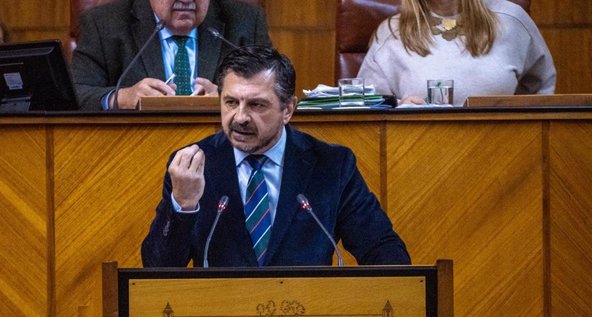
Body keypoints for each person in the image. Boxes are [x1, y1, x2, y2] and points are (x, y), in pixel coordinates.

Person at [141, 46, 411, 267]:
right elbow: (156, 268)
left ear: (288, 109)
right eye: (231, 102)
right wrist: (183, 205)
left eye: (257, 104)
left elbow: (381, 248)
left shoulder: (331, 165)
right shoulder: (193, 166)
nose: (241, 117)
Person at [71, 0, 272, 110]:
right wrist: (122, 97)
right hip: (134, 154)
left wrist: (228, 98)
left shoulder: (245, 22)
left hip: (220, 149)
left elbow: (272, 91)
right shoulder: (103, 24)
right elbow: (75, 95)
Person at [357, 0, 556, 106]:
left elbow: (541, 87)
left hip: (504, 152)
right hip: (418, 154)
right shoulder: (391, 32)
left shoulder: (512, 20)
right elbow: (369, 106)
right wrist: (398, 111)